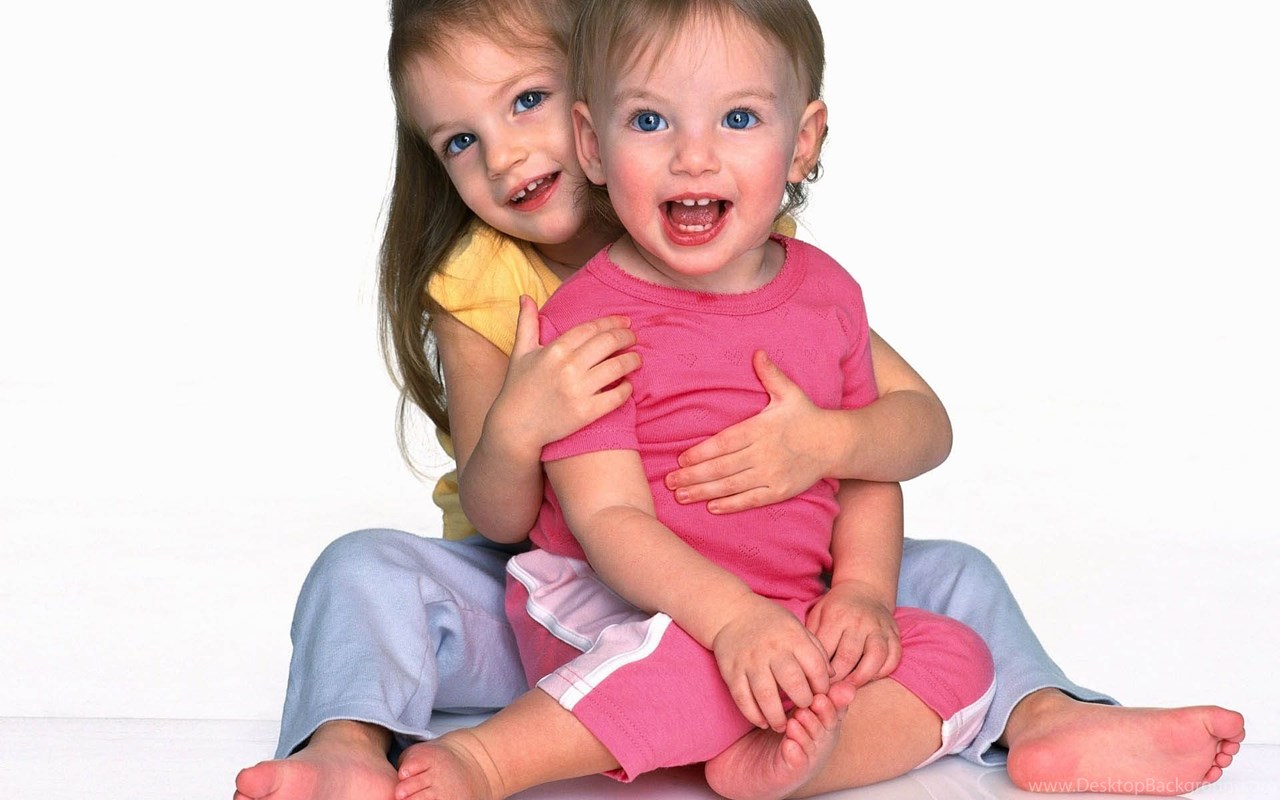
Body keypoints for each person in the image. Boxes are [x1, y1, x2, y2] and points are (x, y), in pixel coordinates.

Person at [233, 1, 1245, 799]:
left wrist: (827, 448)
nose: (502, 155)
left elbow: (915, 426)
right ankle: (346, 743)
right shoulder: (489, 284)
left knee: (952, 577)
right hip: (545, 586)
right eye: (458, 140)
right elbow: (505, 516)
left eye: (525, 100)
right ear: (605, 131)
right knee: (362, 568)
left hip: (768, 581)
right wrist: (522, 423)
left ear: (590, 94)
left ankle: (1042, 717)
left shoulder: (765, 261)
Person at [392, 1, 999, 797]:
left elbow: (871, 471)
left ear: (803, 143)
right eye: (650, 122)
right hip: (628, 606)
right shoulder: (586, 322)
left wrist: (860, 595)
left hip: (786, 610)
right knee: (683, 657)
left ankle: (793, 760)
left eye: (738, 118)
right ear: (594, 144)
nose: (693, 157)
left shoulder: (826, 297)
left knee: (956, 656)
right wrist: (733, 619)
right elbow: (610, 520)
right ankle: (489, 760)